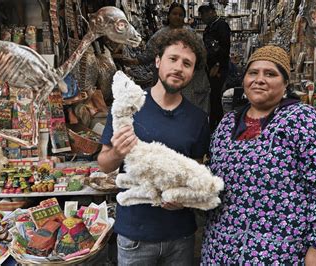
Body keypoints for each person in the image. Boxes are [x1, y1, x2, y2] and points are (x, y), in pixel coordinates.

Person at [201, 46, 316, 265]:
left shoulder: (303, 120)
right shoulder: (228, 124)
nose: (259, 79)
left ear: (285, 84)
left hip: (286, 252)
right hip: (224, 248)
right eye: (253, 73)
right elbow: (214, 181)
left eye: (270, 74)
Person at [98, 29, 210, 265]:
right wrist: (118, 152)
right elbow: (104, 163)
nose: (179, 68)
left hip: (180, 235)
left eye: (187, 63)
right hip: (135, 234)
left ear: (192, 72)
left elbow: (196, 169)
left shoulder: (198, 119)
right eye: (173, 59)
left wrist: (186, 198)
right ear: (158, 61)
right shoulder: (129, 106)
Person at [127, 2, 210, 113]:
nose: (177, 17)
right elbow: (147, 55)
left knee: (189, 112)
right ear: (169, 15)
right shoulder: (160, 36)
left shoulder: (193, 36)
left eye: (180, 15)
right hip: (167, 82)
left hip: (191, 84)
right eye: (174, 14)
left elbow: (201, 59)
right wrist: (131, 61)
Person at [198, 3, 231, 130]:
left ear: (212, 12)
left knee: (216, 96)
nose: (203, 17)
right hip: (210, 66)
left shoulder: (221, 25)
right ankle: (214, 124)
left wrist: (217, 65)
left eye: (204, 14)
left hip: (218, 68)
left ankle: (218, 125)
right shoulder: (209, 28)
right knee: (213, 97)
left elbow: (225, 47)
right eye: (201, 15)